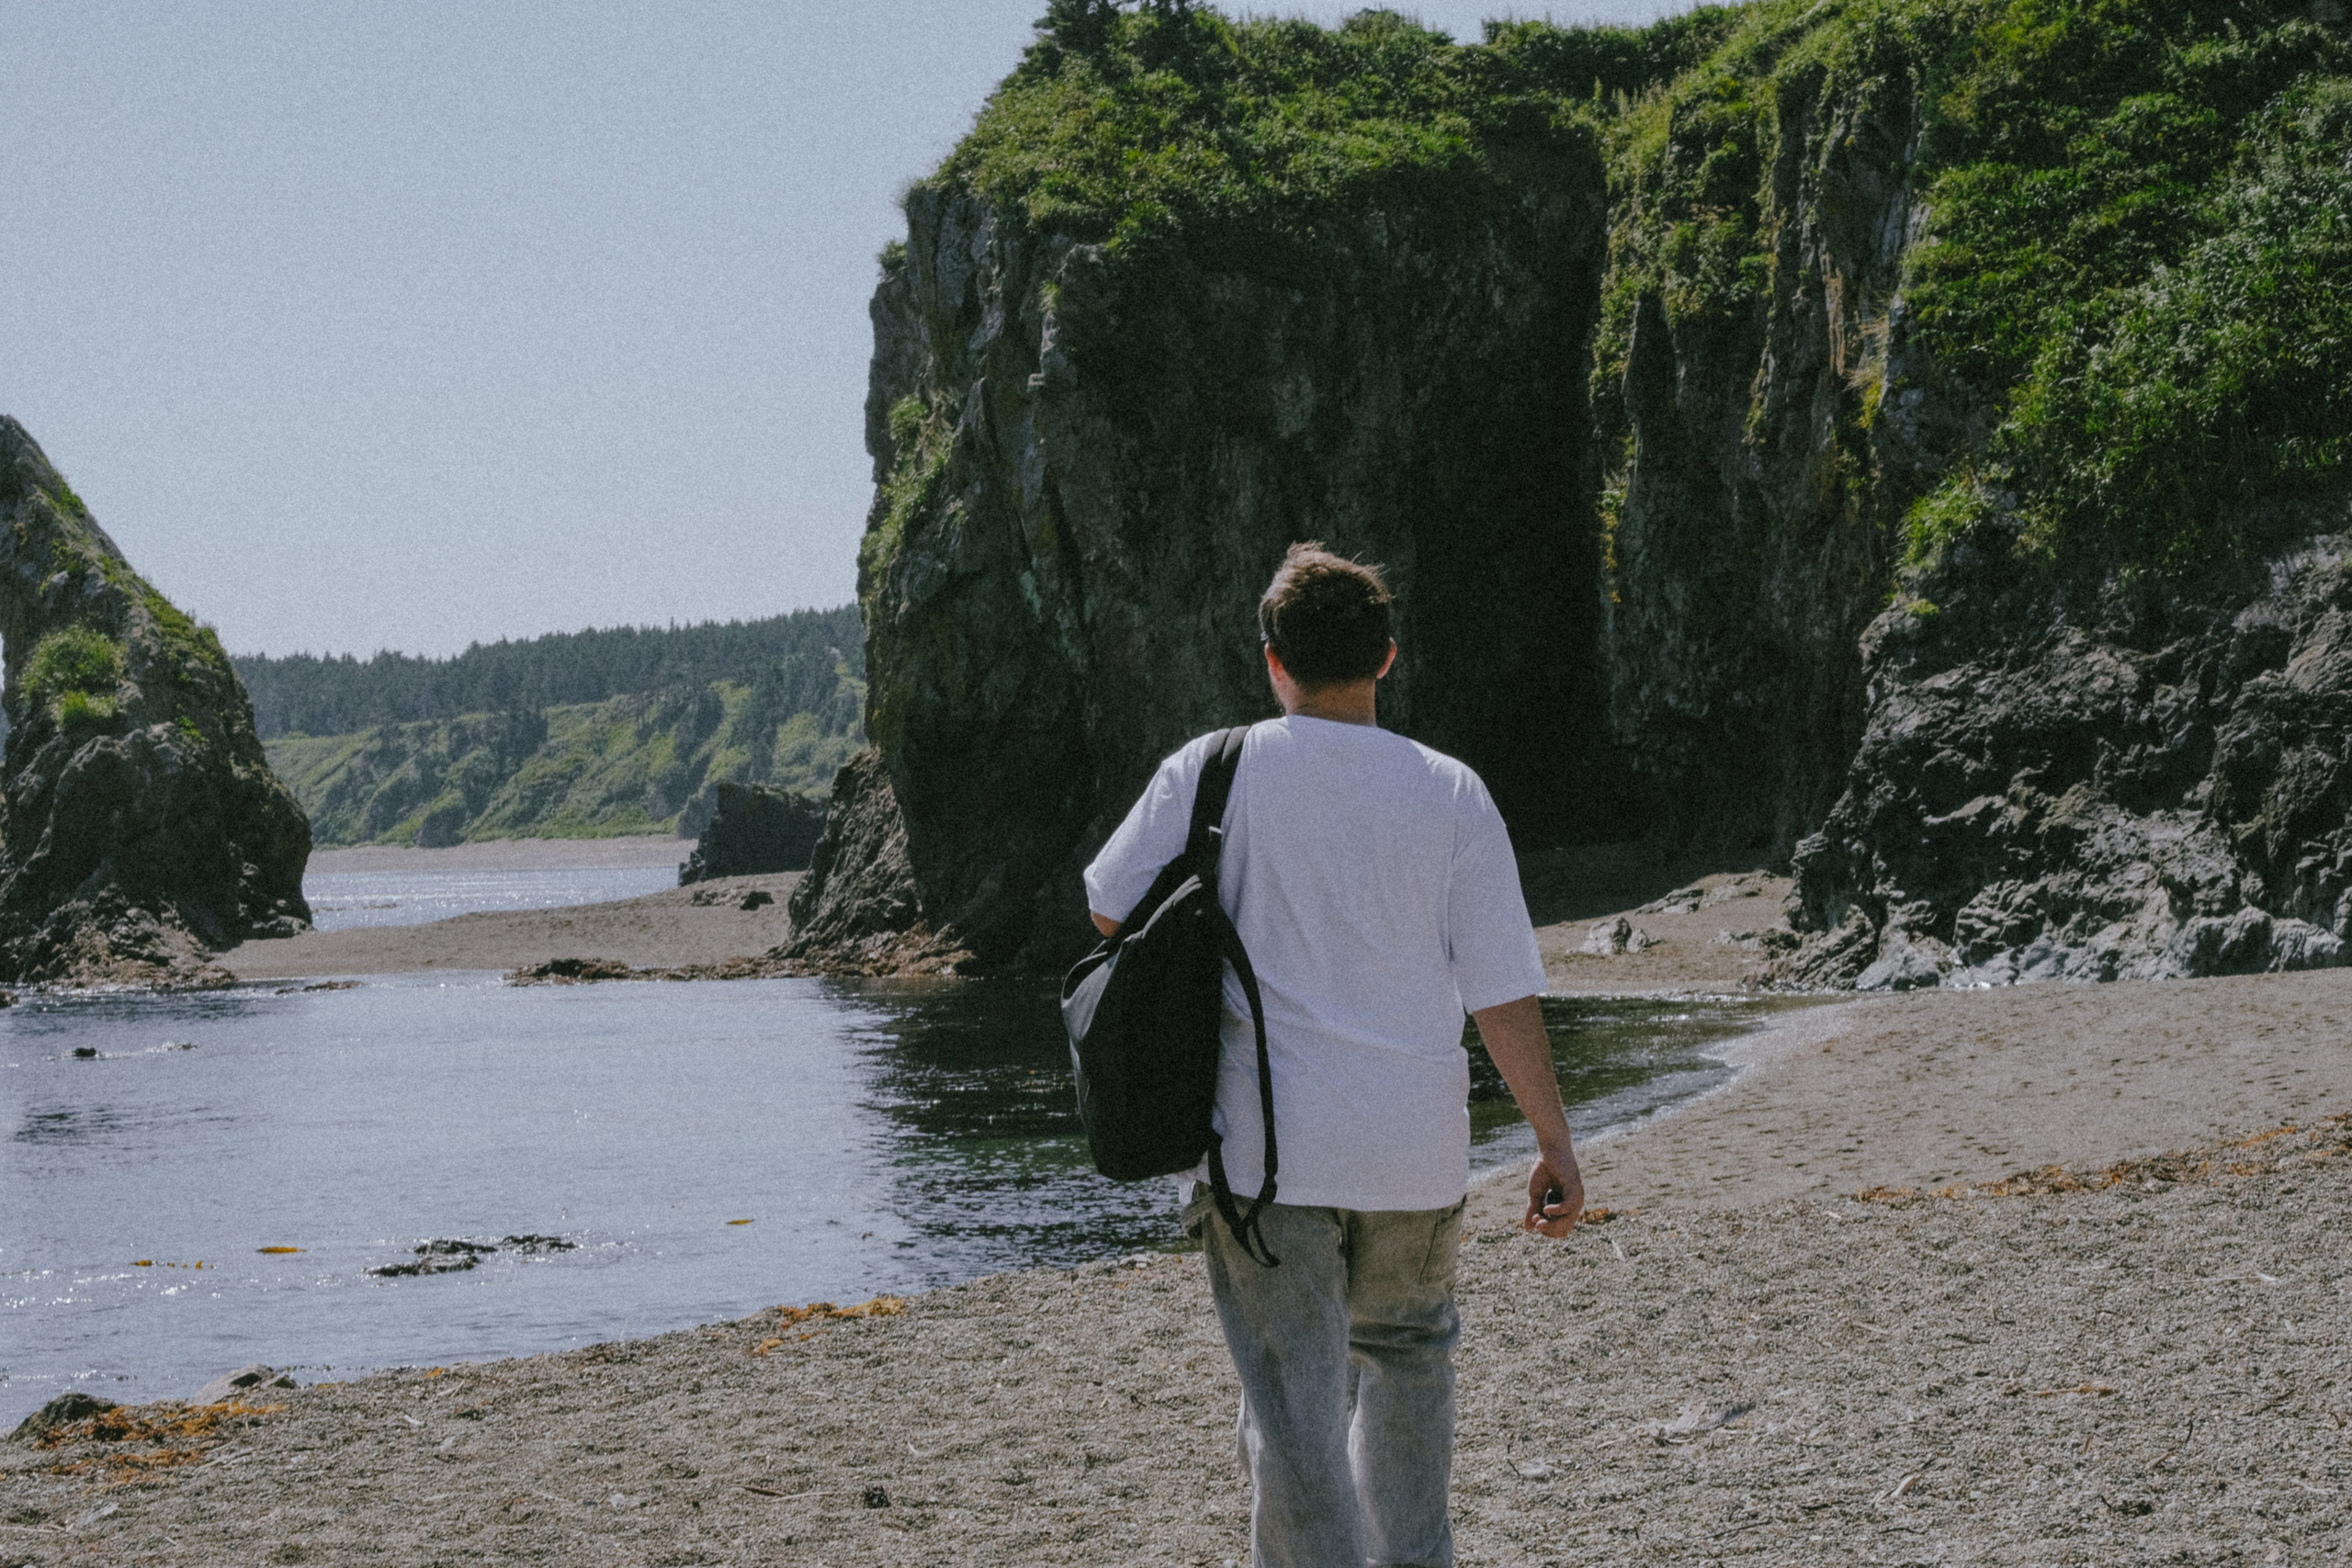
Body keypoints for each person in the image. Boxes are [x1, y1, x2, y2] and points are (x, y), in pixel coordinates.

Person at [1081, 541, 1584, 1568]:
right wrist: (1553, 1142)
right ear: (1386, 659)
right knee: (1406, 1366)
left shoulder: (1215, 768)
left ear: (1273, 661)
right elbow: (1500, 991)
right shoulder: (1451, 792)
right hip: (1414, 1152)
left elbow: (1105, 905)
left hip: (1268, 1156)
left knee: (1292, 1408)